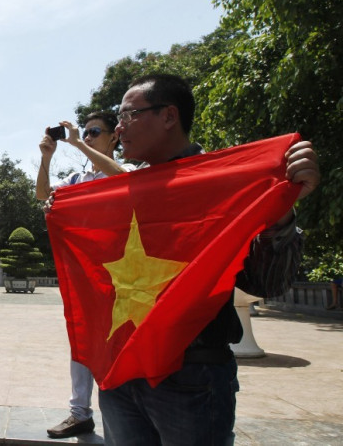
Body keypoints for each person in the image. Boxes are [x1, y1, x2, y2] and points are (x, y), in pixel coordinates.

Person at [79, 73, 318, 445]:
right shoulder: (122, 190)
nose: (119, 127)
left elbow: (264, 284)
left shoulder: (225, 183)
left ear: (169, 116)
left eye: (128, 114)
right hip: (122, 368)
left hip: (192, 377)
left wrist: (281, 211)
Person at [37, 112, 135, 438]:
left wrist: (77, 142)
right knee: (82, 341)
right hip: (87, 275)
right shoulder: (77, 181)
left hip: (123, 275)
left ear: (114, 138)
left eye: (95, 132)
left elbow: (122, 176)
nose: (89, 137)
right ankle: (79, 412)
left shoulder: (127, 170)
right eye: (87, 132)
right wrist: (46, 159)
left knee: (119, 345)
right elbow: (42, 195)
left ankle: (126, 416)